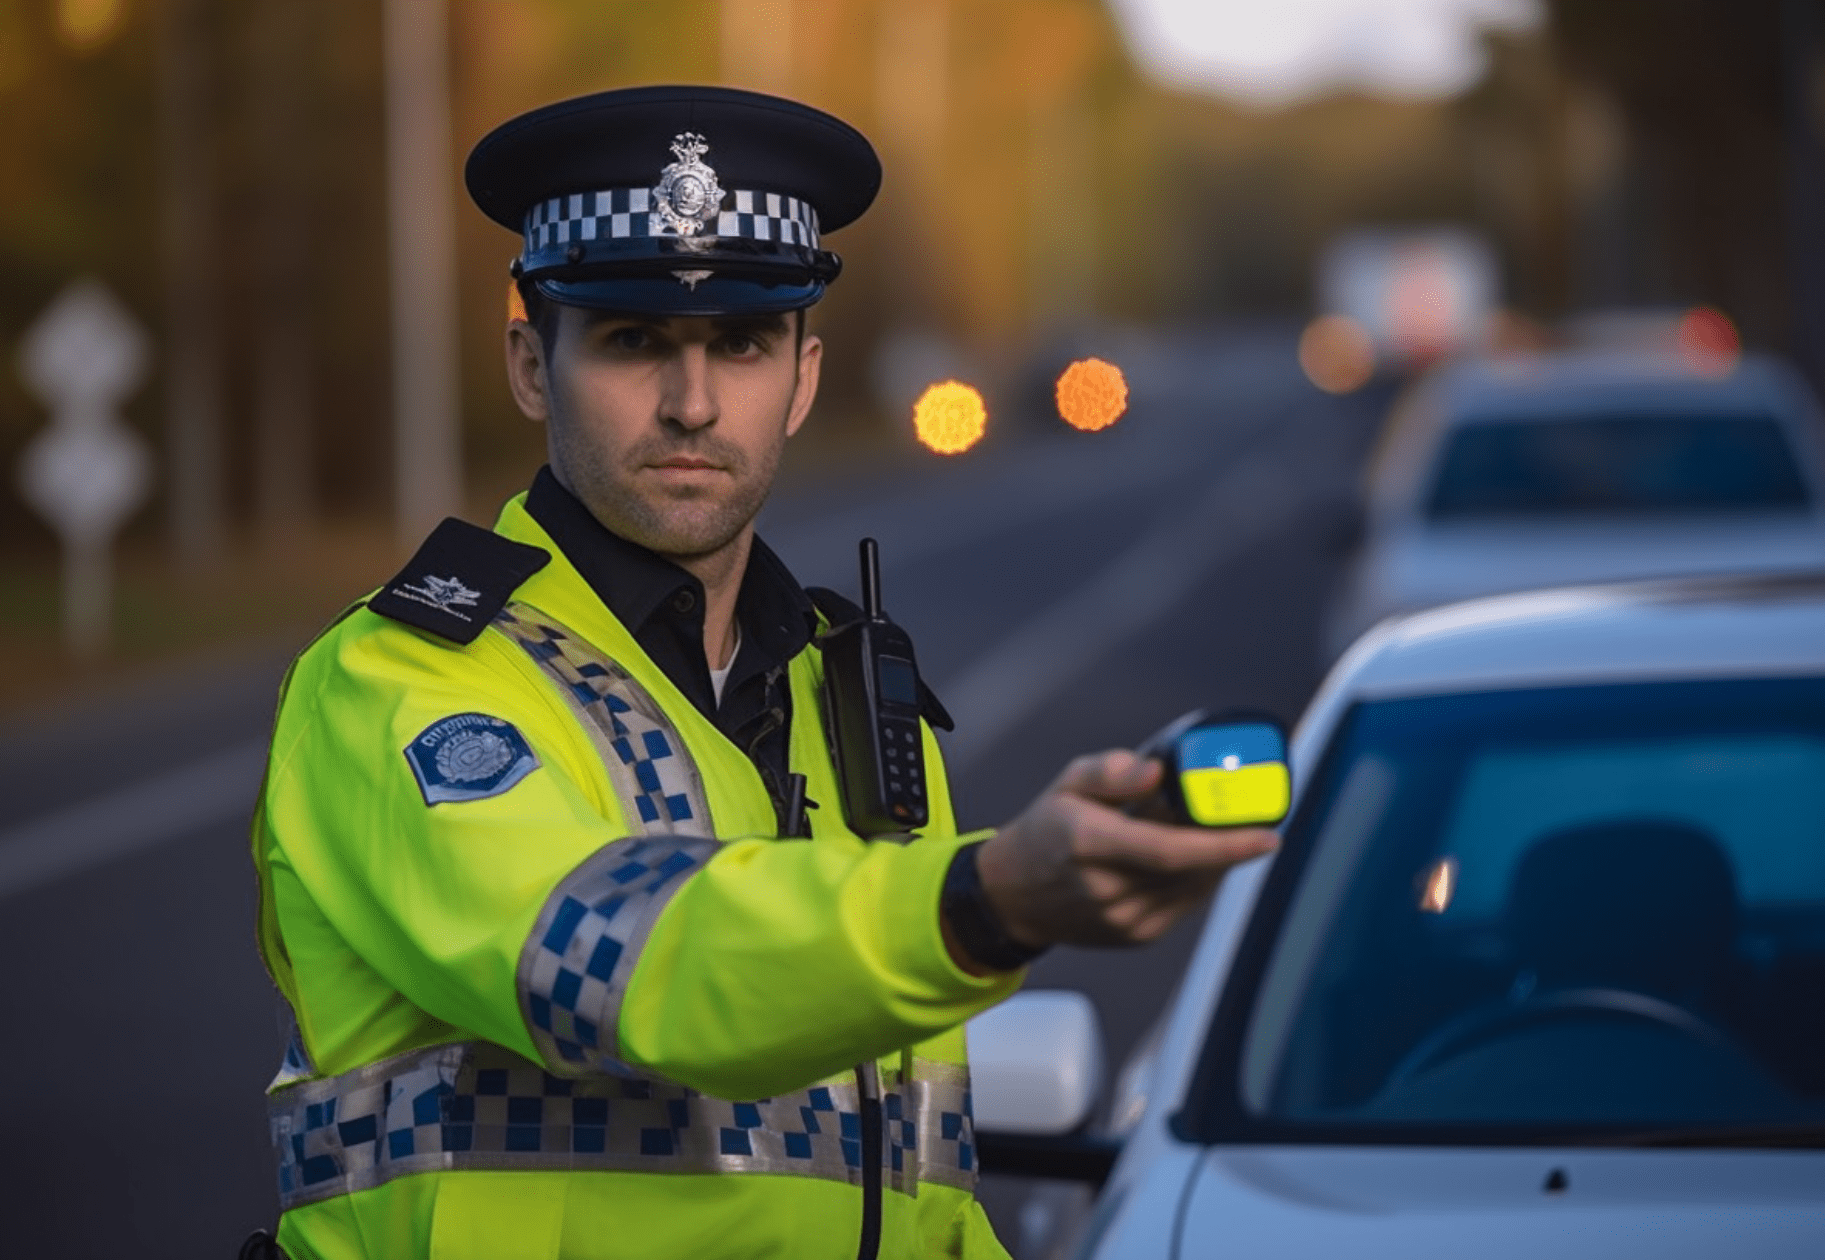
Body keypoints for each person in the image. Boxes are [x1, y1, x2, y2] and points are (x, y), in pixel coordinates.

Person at [249, 85, 1277, 1260]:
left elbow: (917, 1186)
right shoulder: (403, 681)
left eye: (739, 342)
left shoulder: (857, 700)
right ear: (532, 366)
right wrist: (989, 901)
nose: (691, 404)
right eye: (632, 341)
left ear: (801, 376)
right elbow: (618, 968)